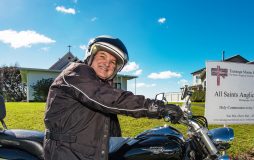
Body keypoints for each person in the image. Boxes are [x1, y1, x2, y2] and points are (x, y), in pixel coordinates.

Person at [43, 35, 183, 160]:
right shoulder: (77, 72)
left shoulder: (101, 85)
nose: (107, 64)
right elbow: (110, 99)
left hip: (90, 152)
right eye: (102, 56)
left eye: (113, 62)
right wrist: (157, 108)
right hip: (67, 152)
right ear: (90, 57)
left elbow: (110, 125)